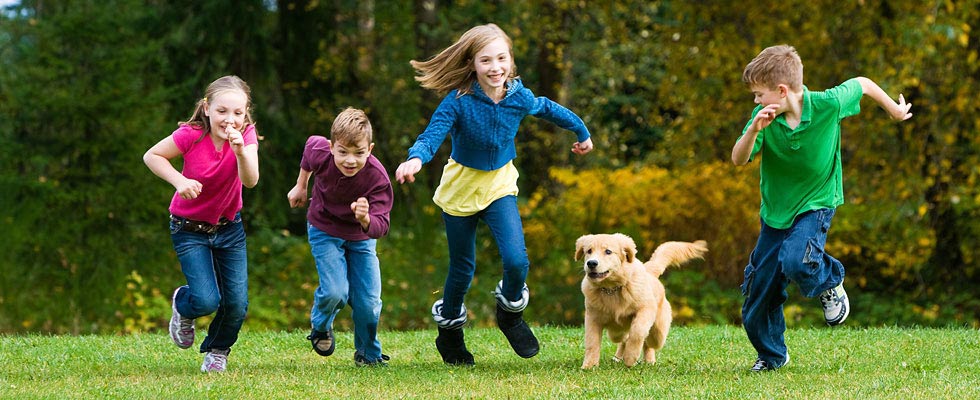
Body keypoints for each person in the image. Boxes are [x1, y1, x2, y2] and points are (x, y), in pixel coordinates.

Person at [395, 23, 594, 366]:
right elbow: (432, 134)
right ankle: (450, 335)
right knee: (462, 269)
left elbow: (548, 108)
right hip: (461, 187)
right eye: (486, 60)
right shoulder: (458, 101)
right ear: (473, 64)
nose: (495, 67)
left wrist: (581, 131)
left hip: (499, 185)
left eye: (502, 58)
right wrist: (415, 159)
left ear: (511, 61)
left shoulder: (518, 97)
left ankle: (510, 315)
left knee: (517, 260)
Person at [731, 45, 912, 372]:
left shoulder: (827, 104)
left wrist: (894, 111)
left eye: (759, 94)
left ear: (782, 91)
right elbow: (738, 159)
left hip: (817, 203)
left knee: (797, 257)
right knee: (757, 293)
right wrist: (755, 130)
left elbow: (863, 83)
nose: (755, 101)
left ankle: (830, 281)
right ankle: (773, 356)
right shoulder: (763, 120)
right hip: (775, 214)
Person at [143, 75, 260, 373]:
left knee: (236, 304)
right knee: (207, 300)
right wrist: (179, 180)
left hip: (229, 229)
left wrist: (240, 153)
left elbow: (251, 180)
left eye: (237, 113)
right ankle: (184, 304)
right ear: (207, 109)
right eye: (222, 111)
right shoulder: (191, 135)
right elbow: (152, 156)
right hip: (188, 229)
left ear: (245, 114)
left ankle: (218, 350)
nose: (230, 119)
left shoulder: (246, 136)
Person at [287, 107, 394, 367]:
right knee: (335, 292)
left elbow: (382, 226)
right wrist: (301, 185)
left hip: (361, 237)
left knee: (369, 301)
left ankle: (368, 354)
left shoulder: (377, 178)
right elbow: (309, 148)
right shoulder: (321, 151)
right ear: (332, 146)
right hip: (324, 229)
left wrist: (366, 219)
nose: (350, 160)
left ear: (370, 149)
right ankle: (321, 327)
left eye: (359, 153)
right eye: (343, 152)